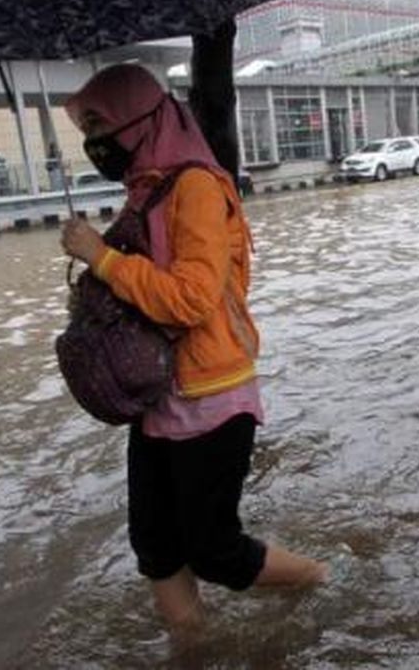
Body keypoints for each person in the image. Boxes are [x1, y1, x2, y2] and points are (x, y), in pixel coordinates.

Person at [59, 65, 327, 632]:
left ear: (143, 118)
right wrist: (94, 266)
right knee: (154, 543)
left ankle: (319, 580)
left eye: (99, 123)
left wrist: (100, 257)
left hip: (212, 398)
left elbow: (192, 300)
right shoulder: (145, 191)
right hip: (156, 393)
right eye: (85, 127)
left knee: (213, 550)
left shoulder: (198, 187)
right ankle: (192, 650)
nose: (93, 141)